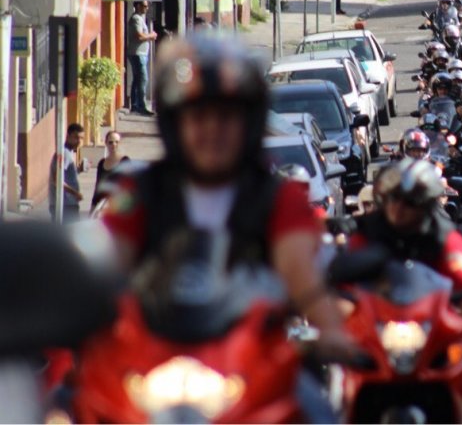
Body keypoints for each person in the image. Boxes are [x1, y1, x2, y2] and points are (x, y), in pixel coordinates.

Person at [100, 34, 359, 368]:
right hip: (155, 368)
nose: (213, 130)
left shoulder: (276, 198)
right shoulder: (139, 194)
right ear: (174, 125)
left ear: (249, 124)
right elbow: (104, 271)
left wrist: (332, 330)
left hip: (257, 370)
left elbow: (303, 276)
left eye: (227, 118)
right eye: (197, 117)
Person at [348, 158, 462, 325]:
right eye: (393, 198)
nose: (399, 207)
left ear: (425, 204)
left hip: (431, 321)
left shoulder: (443, 233)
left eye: (410, 202)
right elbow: (344, 281)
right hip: (376, 321)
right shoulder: (367, 230)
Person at [49, 123, 86, 223]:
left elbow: (64, 176)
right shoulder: (64, 153)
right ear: (68, 136)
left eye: (81, 138)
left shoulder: (69, 152)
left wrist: (78, 170)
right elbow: (57, 179)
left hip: (68, 203)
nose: (79, 141)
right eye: (76, 137)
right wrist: (75, 193)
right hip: (64, 204)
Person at [126, 1, 158, 116]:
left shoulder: (140, 18)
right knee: (143, 79)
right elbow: (139, 36)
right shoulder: (136, 19)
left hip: (140, 53)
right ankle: (141, 106)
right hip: (137, 53)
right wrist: (151, 35)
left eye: (147, 6)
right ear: (138, 6)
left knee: (137, 79)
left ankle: (135, 105)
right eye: (144, 6)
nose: (147, 8)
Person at [90, 131, 130, 212]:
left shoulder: (125, 161)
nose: (113, 145)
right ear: (106, 143)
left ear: (120, 143)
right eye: (110, 142)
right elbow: (98, 187)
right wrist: (93, 208)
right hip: (103, 207)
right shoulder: (102, 163)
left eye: (116, 142)